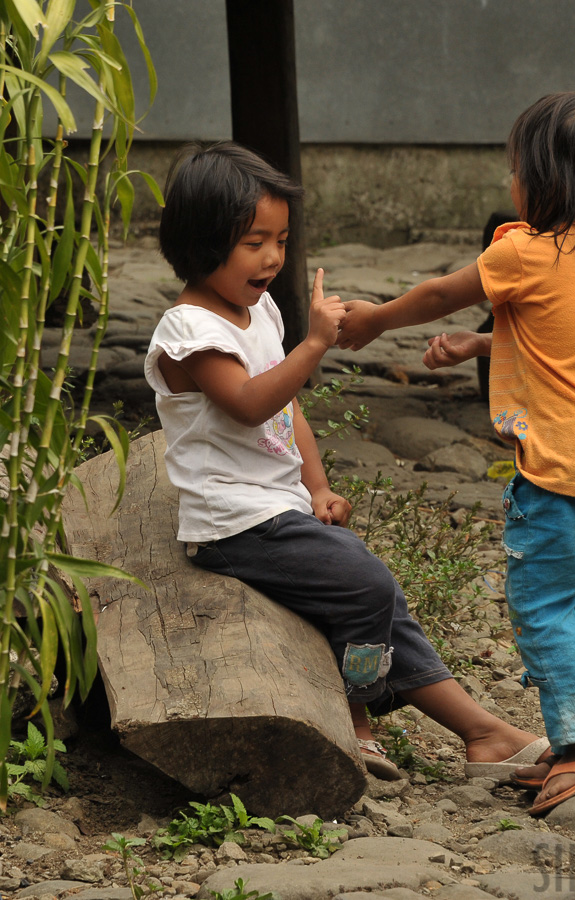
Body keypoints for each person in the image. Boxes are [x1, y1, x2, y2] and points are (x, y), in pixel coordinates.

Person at [145, 141, 550, 782]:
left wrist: (318, 484)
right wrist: (313, 345)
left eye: (280, 240)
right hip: (230, 524)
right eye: (255, 242)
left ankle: (484, 734)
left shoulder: (256, 311)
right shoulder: (190, 332)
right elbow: (252, 404)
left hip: (275, 511)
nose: (274, 258)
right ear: (201, 242)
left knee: (382, 603)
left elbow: (289, 411)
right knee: (367, 585)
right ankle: (354, 715)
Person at [338, 91, 575, 814]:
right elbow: (573, 350)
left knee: (540, 609)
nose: (511, 181)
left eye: (518, 167)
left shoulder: (525, 252)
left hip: (558, 472)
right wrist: (486, 343)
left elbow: (439, 292)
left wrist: (374, 321)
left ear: (549, 179)